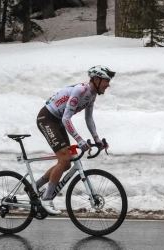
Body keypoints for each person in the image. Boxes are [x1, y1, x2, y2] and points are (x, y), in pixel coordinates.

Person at [34, 65, 115, 215]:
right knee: (64, 159)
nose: (108, 84)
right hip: (47, 118)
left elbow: (89, 118)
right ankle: (46, 199)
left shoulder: (92, 94)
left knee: (66, 163)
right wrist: (79, 139)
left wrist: (97, 140)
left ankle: (33, 187)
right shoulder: (81, 90)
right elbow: (66, 118)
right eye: (106, 81)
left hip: (57, 121)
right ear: (96, 79)